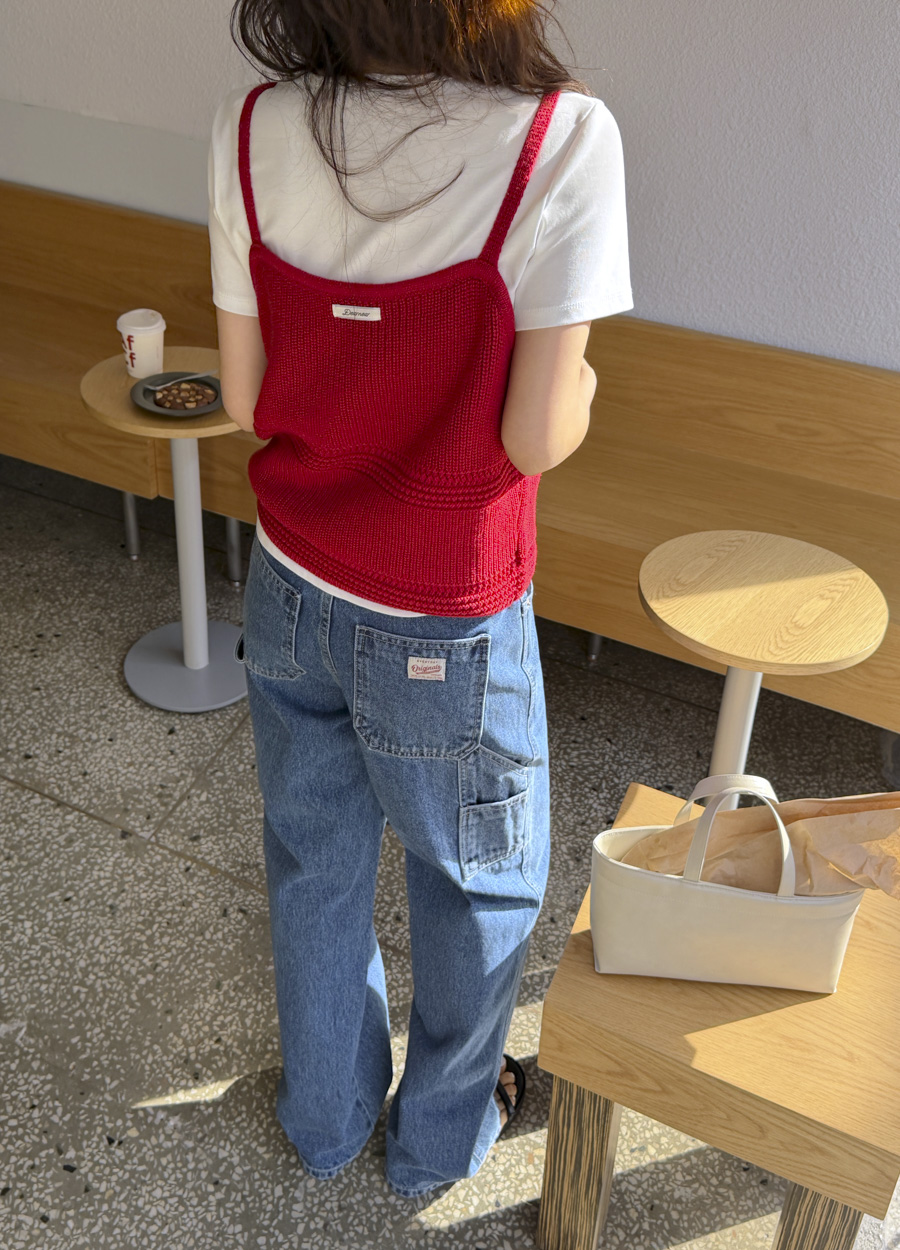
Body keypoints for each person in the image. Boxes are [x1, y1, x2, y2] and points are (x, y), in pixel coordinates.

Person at [207, 0, 632, 1199]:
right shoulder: (562, 138)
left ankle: (326, 1114)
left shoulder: (252, 125)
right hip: (447, 611)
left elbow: (244, 398)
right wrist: (585, 390)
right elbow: (535, 435)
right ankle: (440, 1136)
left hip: (290, 584)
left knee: (315, 856)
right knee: (478, 876)